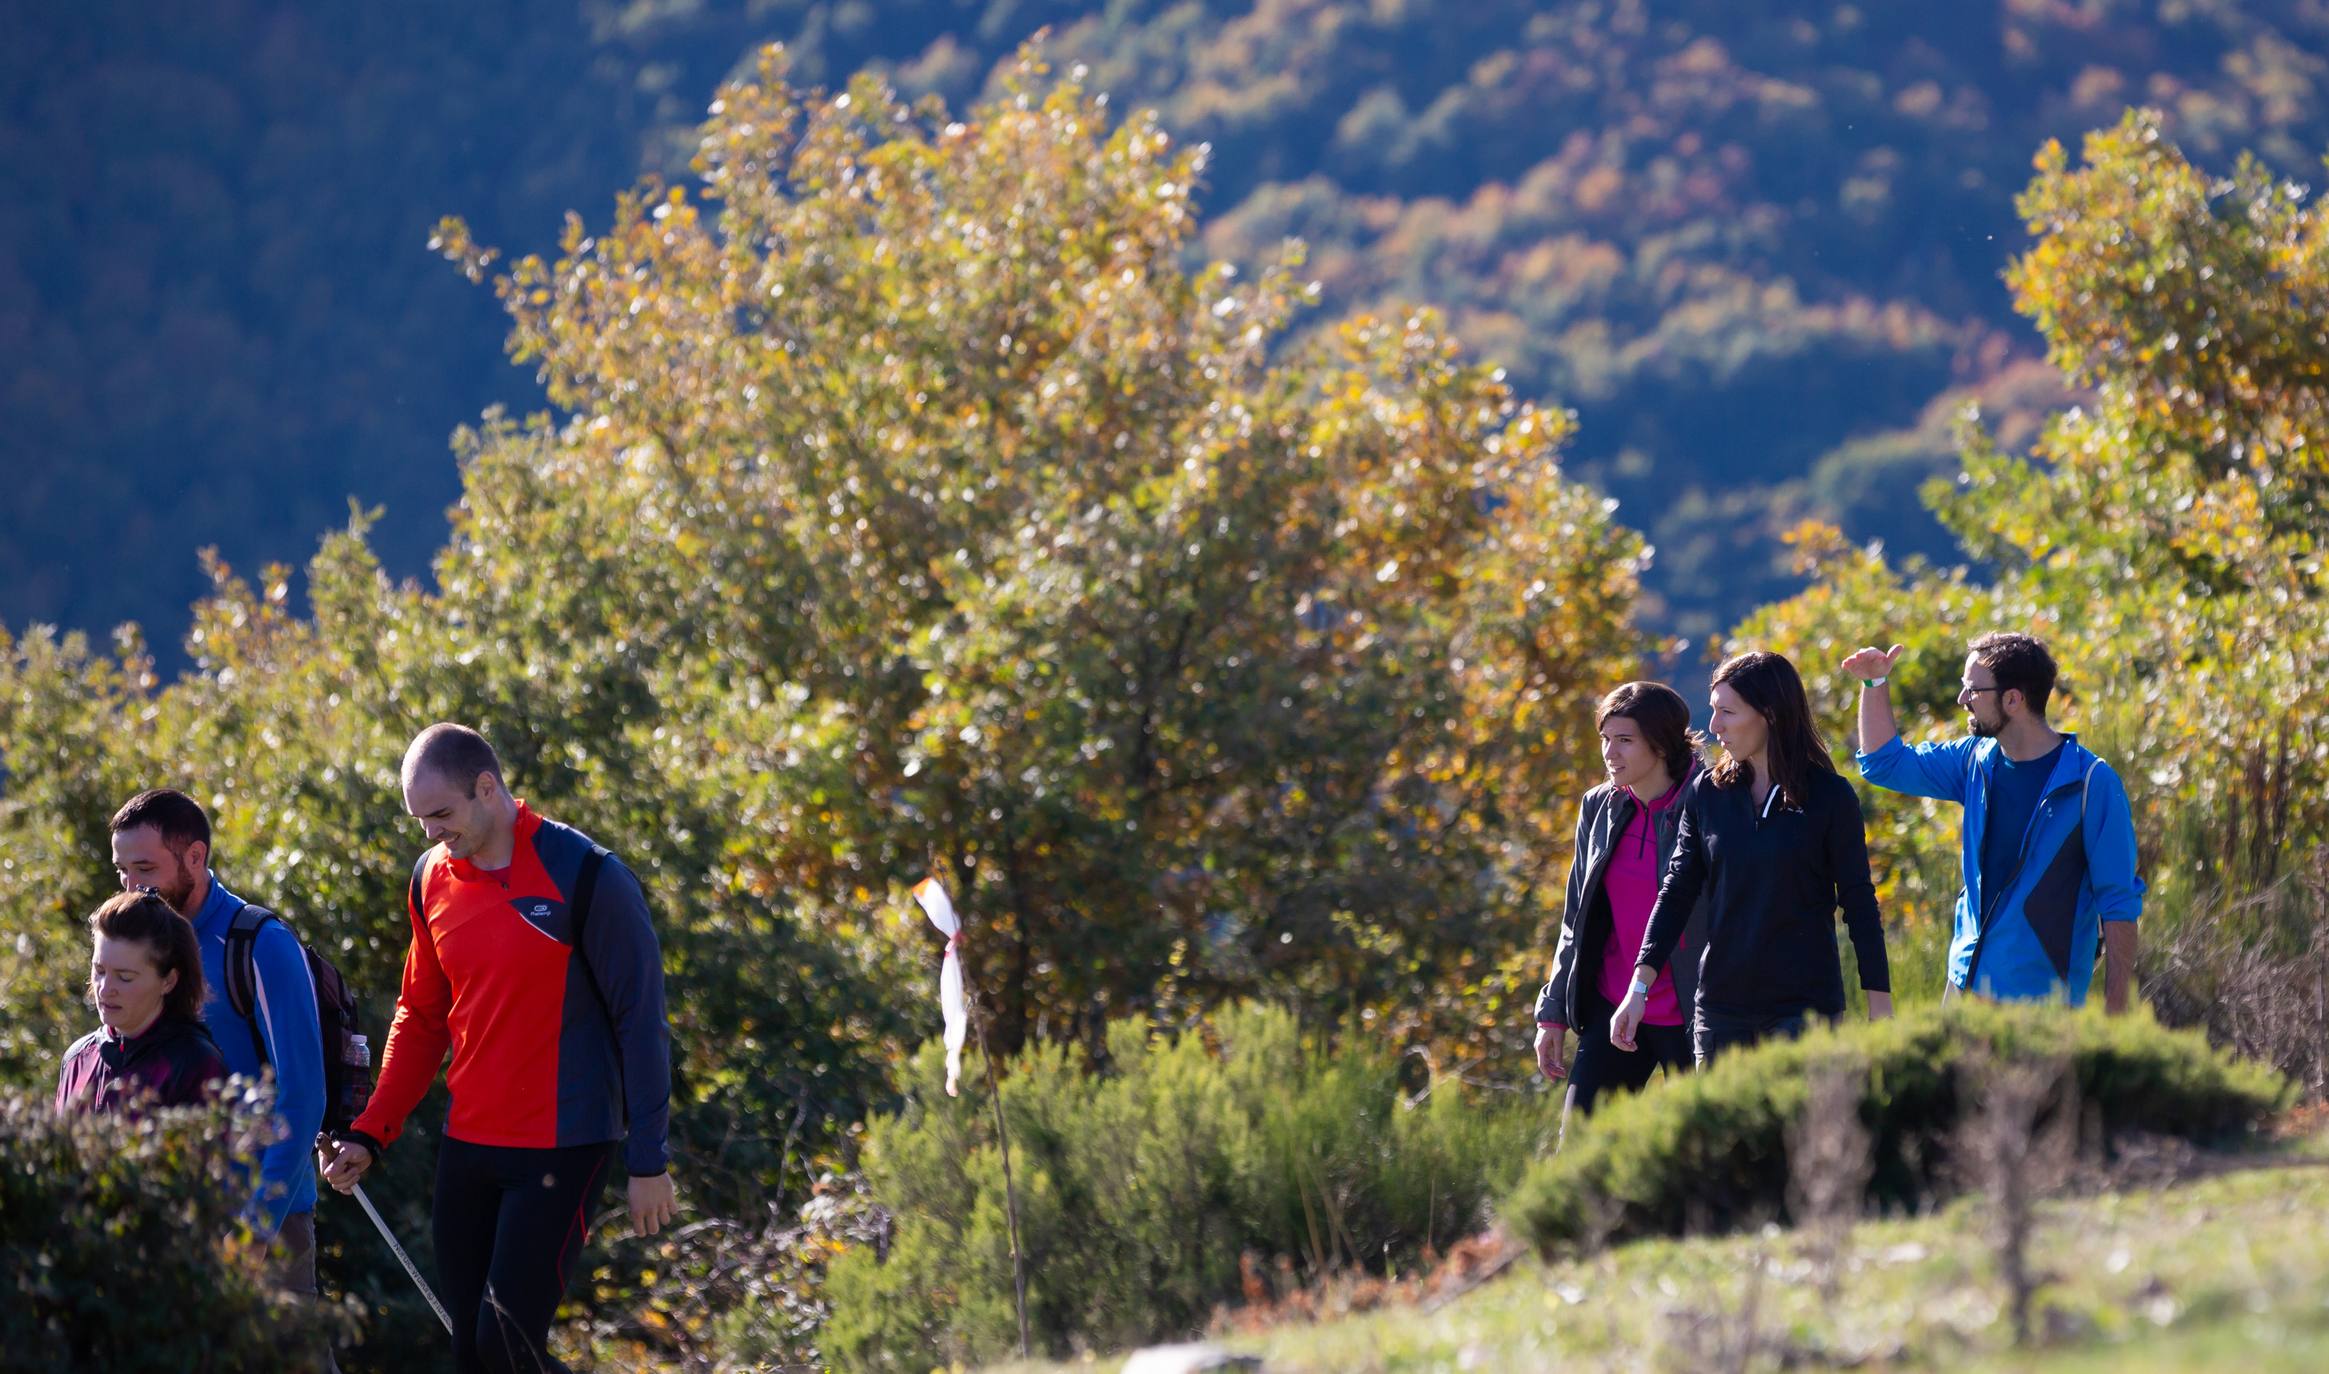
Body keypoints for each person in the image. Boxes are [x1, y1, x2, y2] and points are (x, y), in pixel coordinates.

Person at [319, 723, 677, 1374]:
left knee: (503, 1346)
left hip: (565, 1146)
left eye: (441, 814)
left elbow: (641, 1022)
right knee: (471, 1352)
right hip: (470, 1146)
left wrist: (648, 1158)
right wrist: (371, 1133)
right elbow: (421, 1018)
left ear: (487, 789)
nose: (429, 832)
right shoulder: (429, 878)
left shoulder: (588, 876)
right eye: (419, 819)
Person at [109, 789, 332, 1319]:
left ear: (195, 857)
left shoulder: (260, 943)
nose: (131, 886)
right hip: (163, 1221)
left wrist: (255, 1229)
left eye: (145, 867)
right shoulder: (129, 945)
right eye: (122, 870)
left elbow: (302, 1099)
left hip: (264, 1221)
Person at [1613, 651, 1894, 1064]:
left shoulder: (1830, 797)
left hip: (1805, 1011)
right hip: (1720, 1011)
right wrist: (1638, 989)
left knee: (1800, 1132)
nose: (1714, 726)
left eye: (1727, 712)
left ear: (1770, 714)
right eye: (1713, 710)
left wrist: (1880, 1007)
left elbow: (1859, 903)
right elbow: (1676, 892)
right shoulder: (1707, 794)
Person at [1844, 632, 2143, 1010]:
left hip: (2043, 1003)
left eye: (1972, 690)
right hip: (1963, 987)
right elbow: (1885, 764)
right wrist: (1875, 683)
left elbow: (2119, 905)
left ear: (2013, 699)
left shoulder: (2091, 783)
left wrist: (2116, 1015)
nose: (1962, 700)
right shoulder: (1974, 759)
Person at [1534, 682, 1706, 1134]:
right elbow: (1576, 916)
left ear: (1662, 742)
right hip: (1615, 1007)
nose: (1610, 752)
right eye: (1605, 739)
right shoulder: (1600, 806)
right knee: (1579, 1147)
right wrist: (1552, 1012)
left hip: (1693, 1011)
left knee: (1706, 1155)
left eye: (1624, 740)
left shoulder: (1711, 803)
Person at [56, 889, 227, 1114]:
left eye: (125, 977)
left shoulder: (195, 1065)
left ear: (168, 980)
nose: (105, 989)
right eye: (99, 971)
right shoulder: (77, 1059)